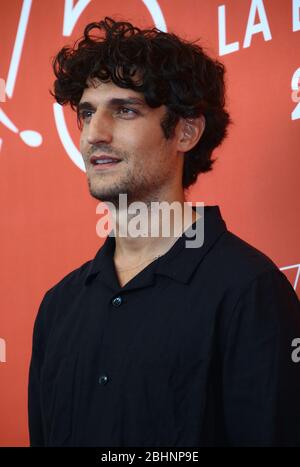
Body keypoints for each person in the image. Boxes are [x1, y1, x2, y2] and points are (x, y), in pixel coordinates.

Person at [28, 17, 300, 447]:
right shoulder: (59, 307)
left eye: (125, 110)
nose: (94, 134)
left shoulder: (250, 290)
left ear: (186, 131)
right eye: (86, 113)